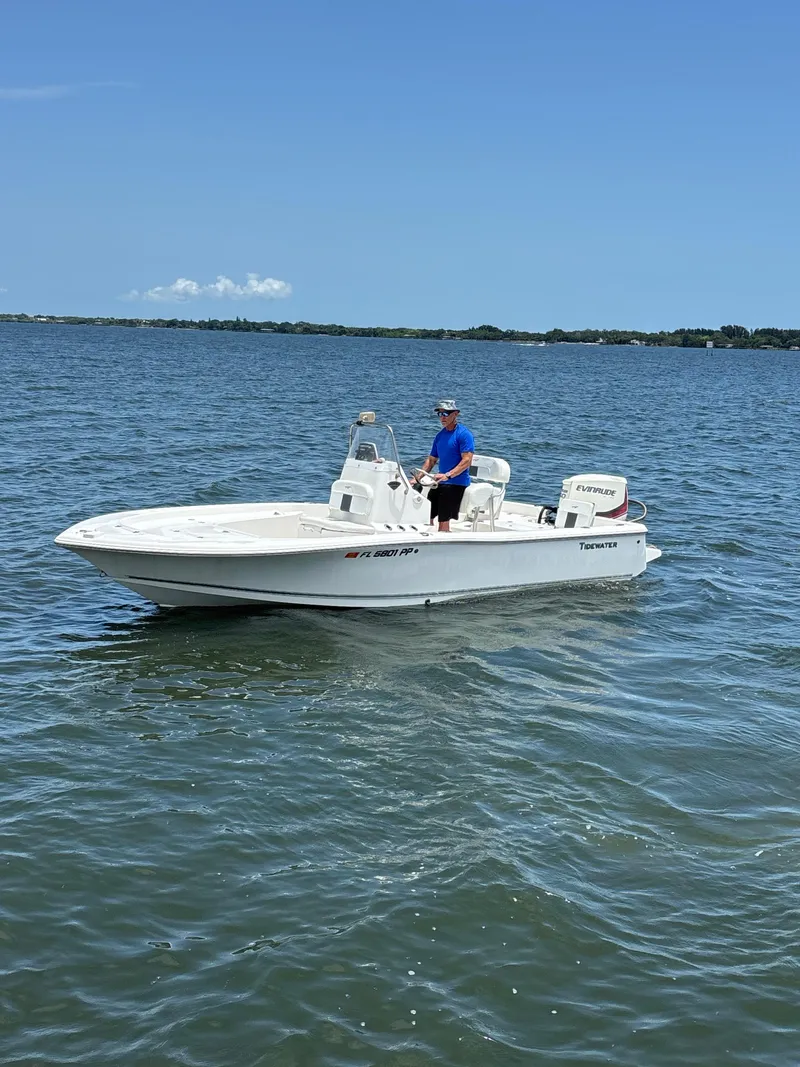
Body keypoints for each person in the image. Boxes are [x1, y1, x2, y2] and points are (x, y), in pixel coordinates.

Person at [413, 400, 475, 532]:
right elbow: (431, 460)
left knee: (443, 514)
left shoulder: (464, 435)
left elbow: (467, 460)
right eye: (440, 414)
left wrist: (448, 475)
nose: (443, 417)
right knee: (426, 510)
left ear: (456, 414)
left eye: (446, 413)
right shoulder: (440, 435)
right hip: (441, 482)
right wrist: (417, 478)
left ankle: (445, 534)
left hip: (457, 482)